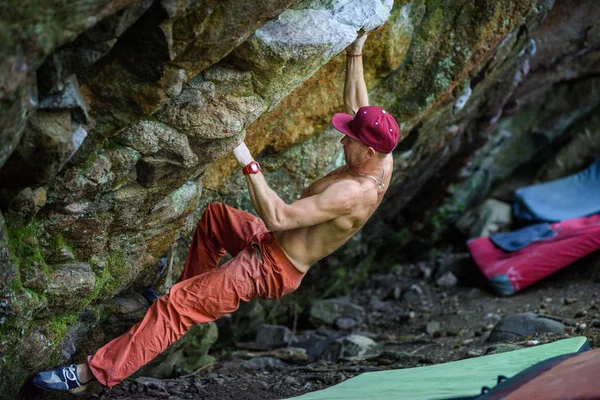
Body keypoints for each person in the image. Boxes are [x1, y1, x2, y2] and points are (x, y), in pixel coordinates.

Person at [32, 33, 401, 395]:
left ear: (368, 151)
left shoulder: (352, 193)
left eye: (350, 140)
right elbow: (357, 105)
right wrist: (355, 52)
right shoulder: (382, 157)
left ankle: (87, 374)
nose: (342, 139)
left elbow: (280, 217)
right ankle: (192, 291)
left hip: (271, 267)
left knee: (174, 308)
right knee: (215, 217)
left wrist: (246, 159)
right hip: (268, 244)